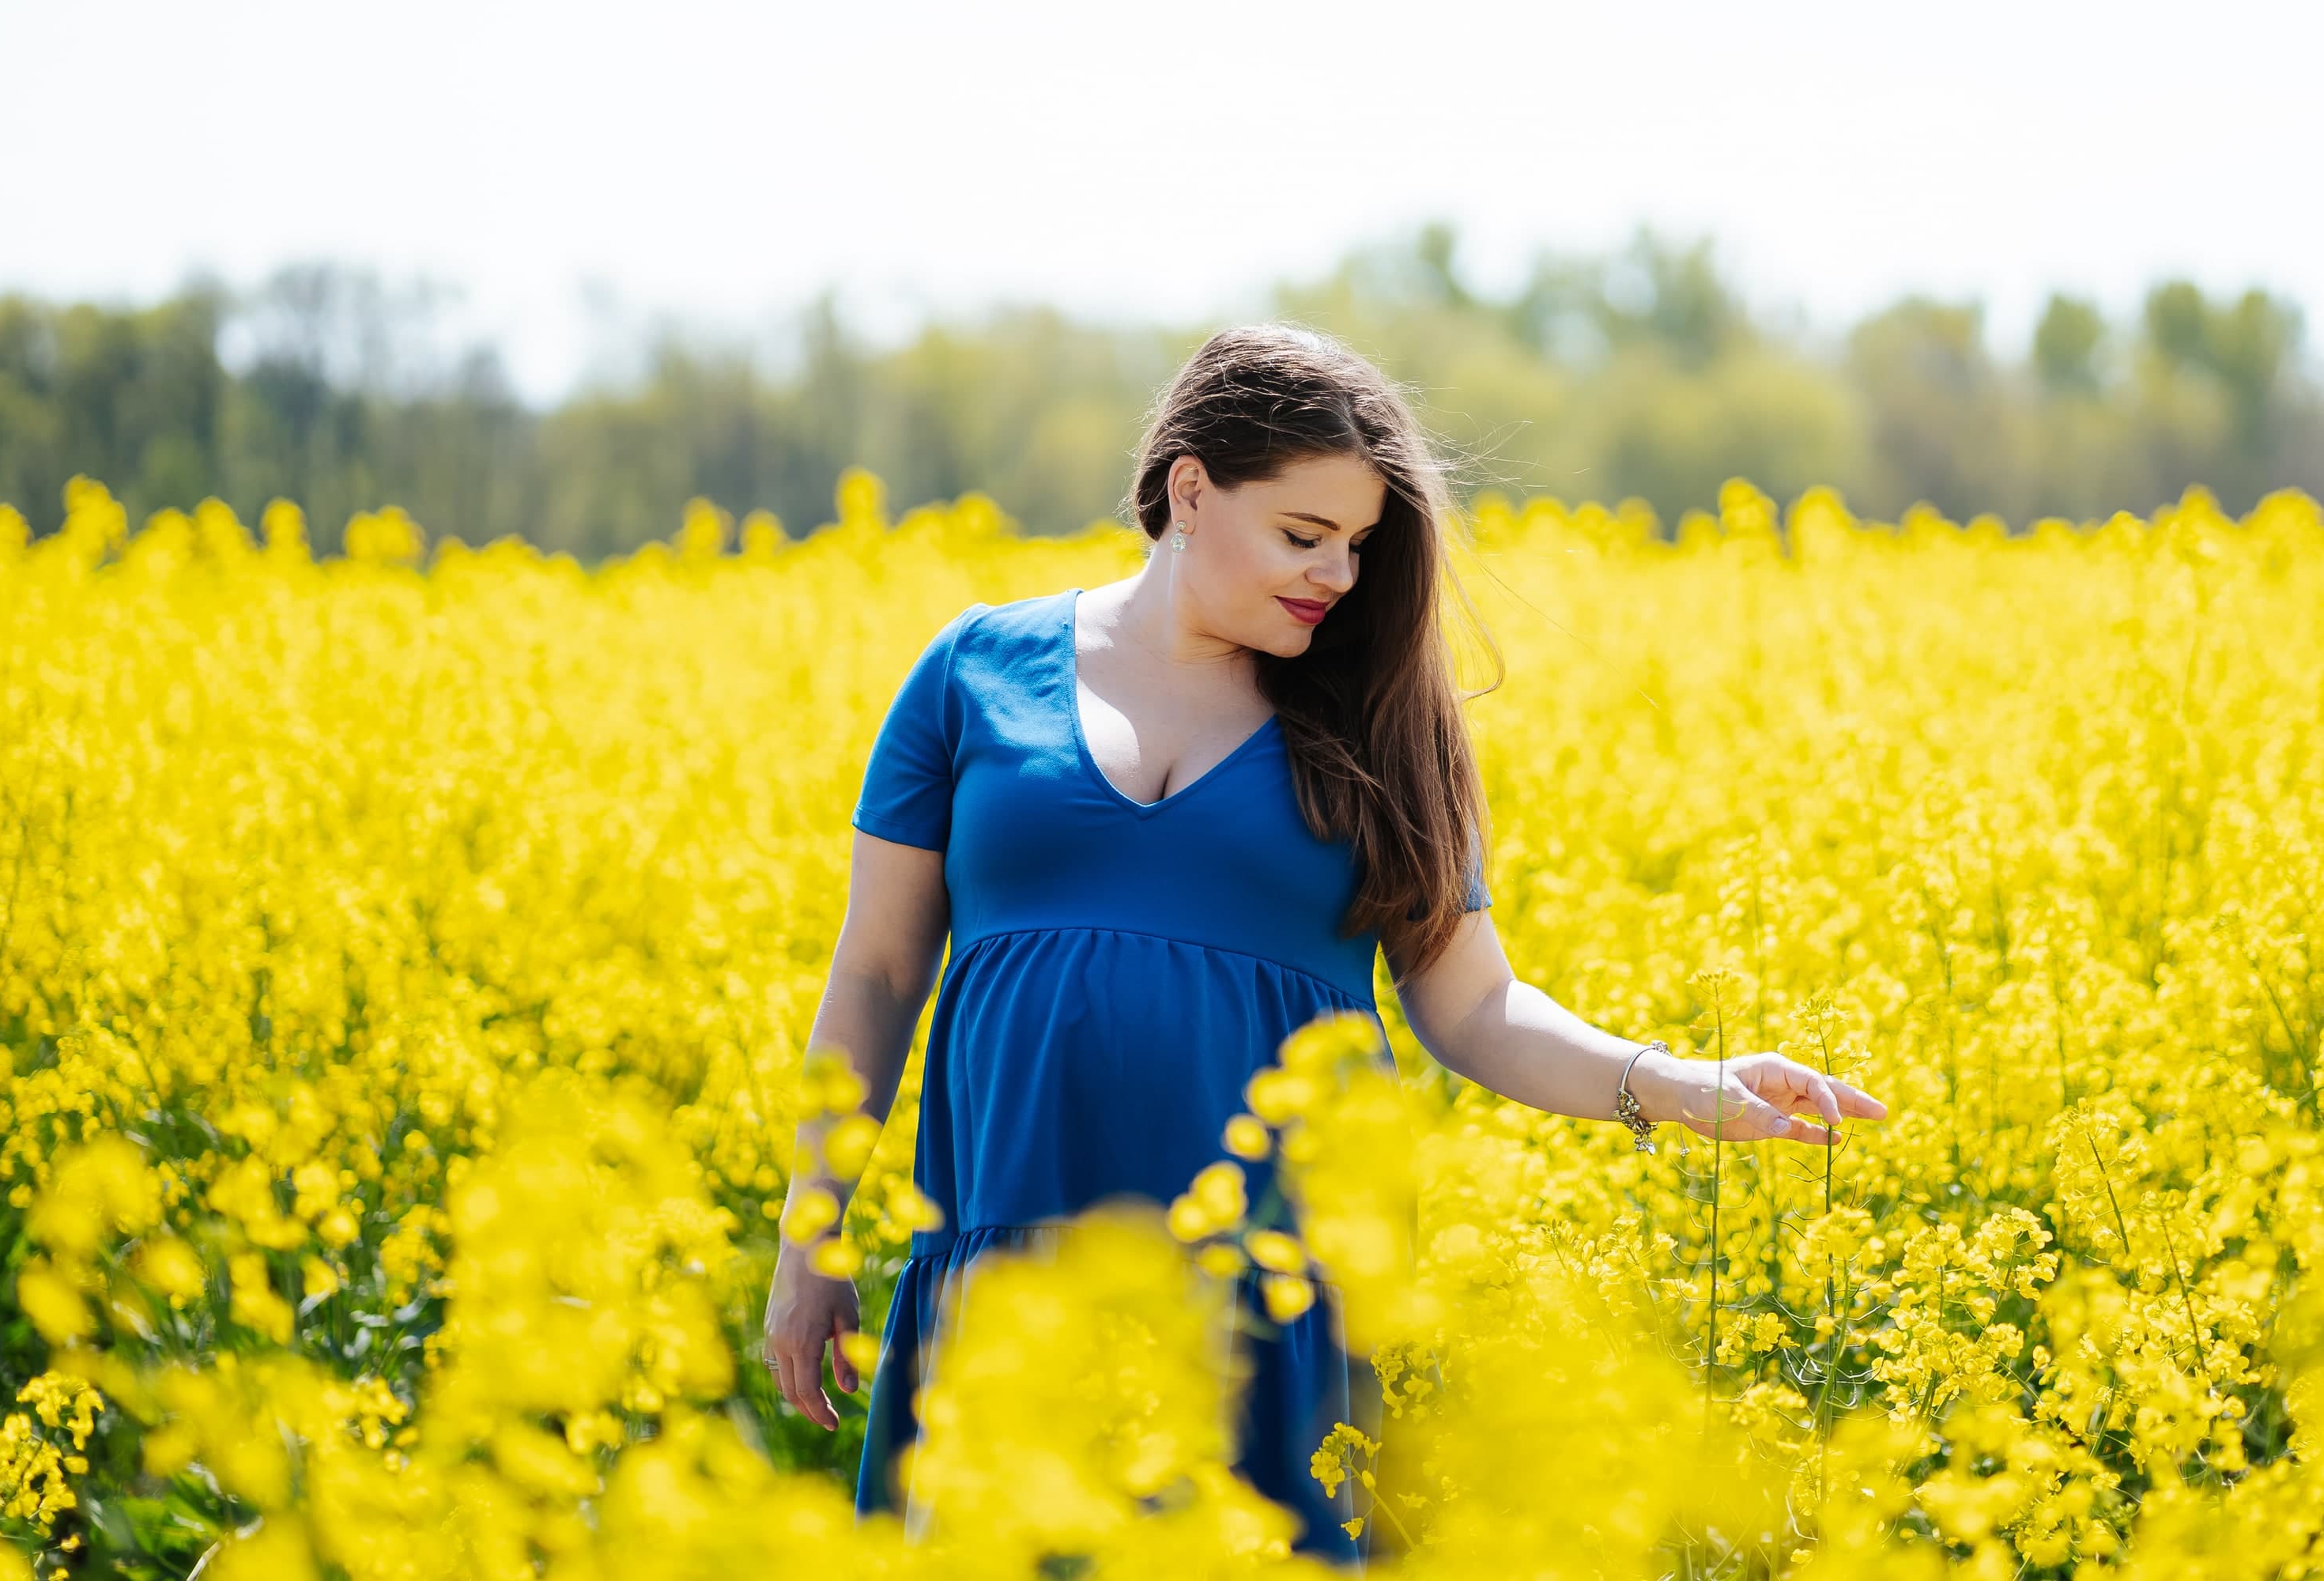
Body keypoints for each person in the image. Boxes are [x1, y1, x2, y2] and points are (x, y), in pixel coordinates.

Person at [761, 323, 1890, 1565]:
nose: (1339, 577)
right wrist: (807, 1235)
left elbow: (1474, 1009)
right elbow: (875, 975)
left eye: (1358, 547)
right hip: (1008, 1287)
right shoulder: (972, 673)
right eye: (1305, 536)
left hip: (1269, 1313)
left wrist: (1673, 1084)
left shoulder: (1376, 728)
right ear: (1190, 488)